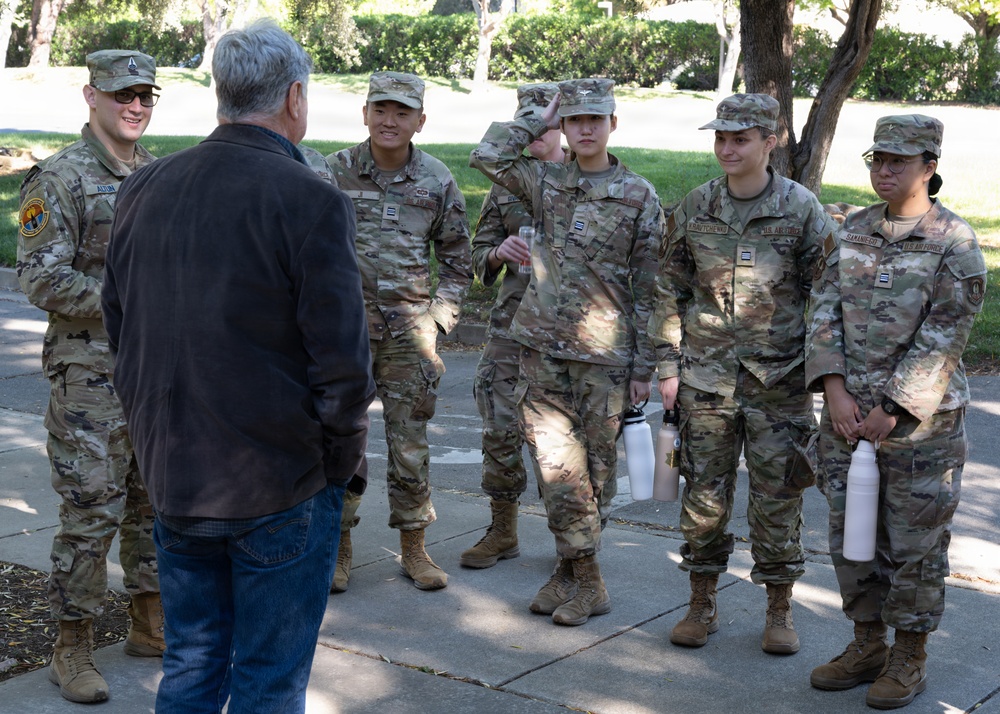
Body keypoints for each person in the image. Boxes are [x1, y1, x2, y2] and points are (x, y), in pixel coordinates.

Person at [101, 20, 374, 713]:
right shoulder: (310, 197)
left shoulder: (145, 185)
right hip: (278, 485)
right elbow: (343, 365)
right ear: (294, 97)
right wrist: (337, 467)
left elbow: (121, 329)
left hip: (179, 474)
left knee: (191, 666)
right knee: (268, 679)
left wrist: (152, 438)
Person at [806, 115, 986, 709]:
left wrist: (891, 408)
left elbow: (945, 335)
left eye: (898, 162)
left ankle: (909, 656)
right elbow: (823, 309)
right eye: (877, 159)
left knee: (914, 546)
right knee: (849, 538)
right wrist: (833, 391)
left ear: (929, 167)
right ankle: (866, 644)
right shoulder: (853, 229)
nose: (884, 170)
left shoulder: (953, 242)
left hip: (918, 430)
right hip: (845, 418)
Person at [470, 78, 664, 625]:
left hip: (605, 357)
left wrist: (646, 366)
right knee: (558, 468)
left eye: (593, 119)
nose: (582, 129)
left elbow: (652, 287)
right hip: (540, 348)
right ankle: (587, 579)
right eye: (573, 120)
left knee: (595, 473)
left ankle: (573, 570)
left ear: (612, 125)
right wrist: (540, 116)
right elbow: (486, 155)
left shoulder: (639, 194)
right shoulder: (546, 182)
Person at [652, 94, 836, 654]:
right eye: (721, 138)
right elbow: (668, 285)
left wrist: (823, 376)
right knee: (703, 495)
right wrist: (667, 362)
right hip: (705, 379)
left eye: (740, 139)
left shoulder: (802, 210)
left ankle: (779, 609)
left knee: (778, 498)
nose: (727, 148)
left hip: (778, 382)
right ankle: (701, 602)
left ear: (770, 142)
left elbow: (829, 296)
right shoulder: (696, 205)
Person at [16, 49, 164, 704]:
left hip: (155, 370)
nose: (135, 105)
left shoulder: (159, 176)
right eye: (122, 94)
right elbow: (42, 277)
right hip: (90, 378)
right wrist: (126, 299)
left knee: (153, 503)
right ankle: (70, 643)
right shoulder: (60, 179)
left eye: (145, 95)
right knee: (91, 509)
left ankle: (149, 621)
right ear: (91, 97)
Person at [327, 72, 472, 592]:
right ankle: (337, 549)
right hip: (342, 334)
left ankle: (415, 548)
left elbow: (458, 264)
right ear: (364, 113)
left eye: (402, 112)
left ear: (420, 121)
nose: (390, 121)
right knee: (340, 443)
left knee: (409, 446)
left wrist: (436, 322)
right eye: (381, 109)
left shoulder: (436, 180)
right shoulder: (331, 173)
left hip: (408, 337)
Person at [459, 82, 567, 570]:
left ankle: (574, 544)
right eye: (528, 125)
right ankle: (502, 529)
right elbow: (475, 256)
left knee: (565, 444)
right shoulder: (506, 189)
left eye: (545, 125)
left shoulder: (590, 182)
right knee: (500, 430)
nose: (536, 136)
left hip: (569, 335)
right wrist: (496, 253)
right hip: (510, 330)